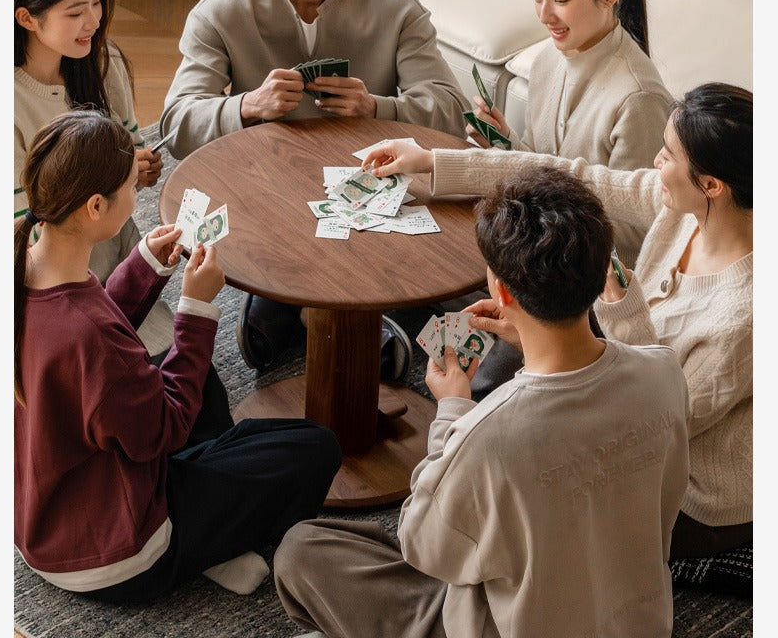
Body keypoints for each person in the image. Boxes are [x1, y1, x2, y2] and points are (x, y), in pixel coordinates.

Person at [273, 166, 690, 637]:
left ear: (501, 290)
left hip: (505, 622)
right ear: (600, 276)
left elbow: (424, 548)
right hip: (636, 619)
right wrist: (530, 337)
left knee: (302, 550)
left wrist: (452, 410)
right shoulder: (663, 372)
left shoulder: (485, 433)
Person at [362, 81, 753, 561]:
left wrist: (613, 315)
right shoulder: (689, 206)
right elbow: (573, 178)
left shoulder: (745, 315)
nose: (655, 163)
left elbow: (659, 418)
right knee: (525, 326)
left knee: (524, 470)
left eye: (667, 156)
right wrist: (434, 161)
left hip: (681, 488)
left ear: (711, 184)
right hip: (627, 375)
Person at [14, 111, 342, 604]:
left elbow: (88, 330)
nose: (140, 191)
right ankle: (200, 548)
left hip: (46, 520)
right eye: (131, 185)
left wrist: (143, 266)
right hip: (120, 554)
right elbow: (162, 430)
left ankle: (210, 517)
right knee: (316, 447)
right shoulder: (89, 335)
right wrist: (197, 309)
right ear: (96, 206)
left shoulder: (22, 268)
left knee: (201, 380)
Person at [160, 0, 465, 375]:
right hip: (268, 187)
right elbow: (175, 125)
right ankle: (317, 309)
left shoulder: (395, 6)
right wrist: (245, 106)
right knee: (268, 247)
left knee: (419, 252)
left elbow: (452, 116)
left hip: (370, 187)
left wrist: (377, 107)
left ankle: (302, 309)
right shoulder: (223, 8)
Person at [466, 0, 673, 269]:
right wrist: (507, 144)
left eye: (560, 0)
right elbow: (546, 163)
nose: (544, 16)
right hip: (540, 250)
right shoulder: (547, 59)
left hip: (590, 281)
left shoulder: (639, 100)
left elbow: (637, 227)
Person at [14, 0, 169, 358]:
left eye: (97, 2)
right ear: (27, 17)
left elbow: (130, 150)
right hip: (46, 282)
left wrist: (138, 169)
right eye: (75, 10)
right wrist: (113, 179)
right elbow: (22, 229)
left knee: (192, 393)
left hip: (115, 251)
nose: (94, 21)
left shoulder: (104, 63)